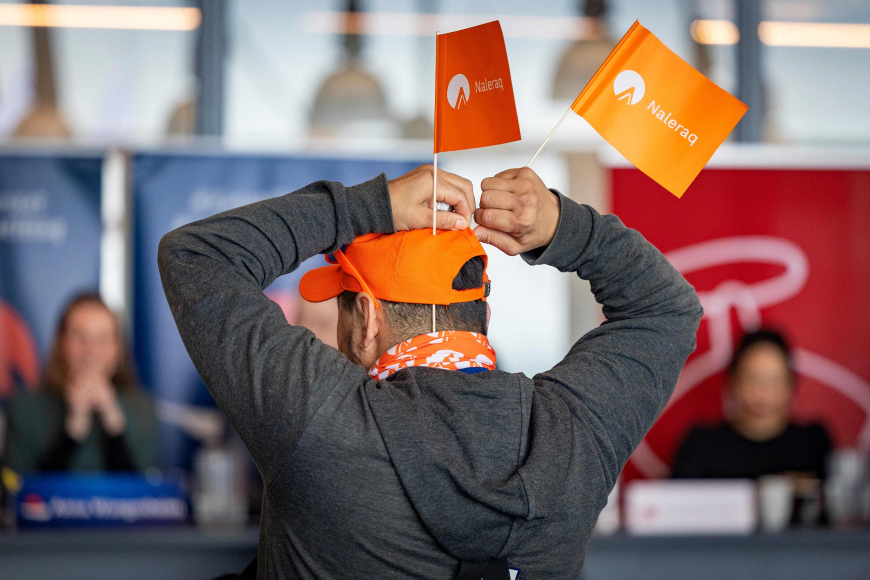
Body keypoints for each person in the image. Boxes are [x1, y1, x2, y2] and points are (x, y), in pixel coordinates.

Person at [158, 165, 702, 579]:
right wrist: (563, 225)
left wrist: (368, 205)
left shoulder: (321, 419)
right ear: (483, 317)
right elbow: (667, 309)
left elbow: (197, 255)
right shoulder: (574, 432)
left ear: (368, 319)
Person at [4, 293, 157, 473]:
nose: (91, 351)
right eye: (79, 336)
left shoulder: (143, 410)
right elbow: (17, 486)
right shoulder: (24, 410)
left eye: (102, 339)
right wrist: (72, 432)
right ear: (61, 344)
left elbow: (144, 487)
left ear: (118, 350)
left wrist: (114, 426)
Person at [672, 329, 832, 481]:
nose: (764, 391)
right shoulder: (701, 444)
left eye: (775, 380)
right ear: (734, 381)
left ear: (791, 384)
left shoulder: (813, 442)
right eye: (753, 379)